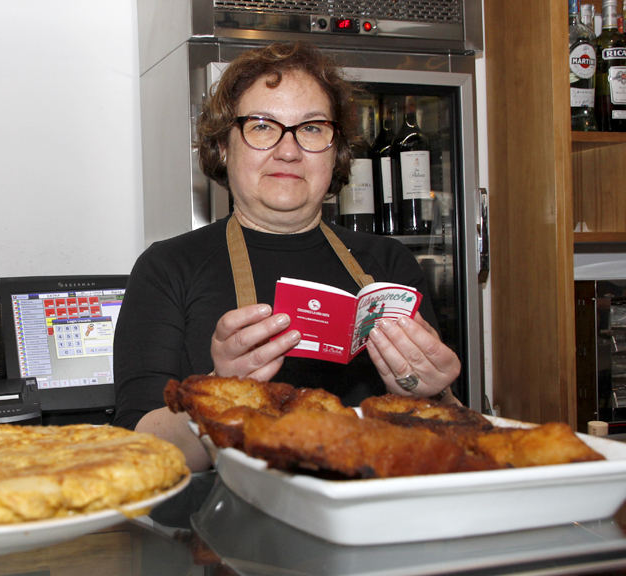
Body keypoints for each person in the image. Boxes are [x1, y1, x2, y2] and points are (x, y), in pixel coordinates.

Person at [113, 42, 461, 472]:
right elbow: (139, 447)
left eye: (312, 128)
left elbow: (449, 437)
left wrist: (432, 393)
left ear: (336, 151)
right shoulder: (167, 268)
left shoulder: (388, 264)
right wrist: (220, 393)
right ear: (224, 145)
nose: (289, 150)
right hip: (227, 524)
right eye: (262, 126)